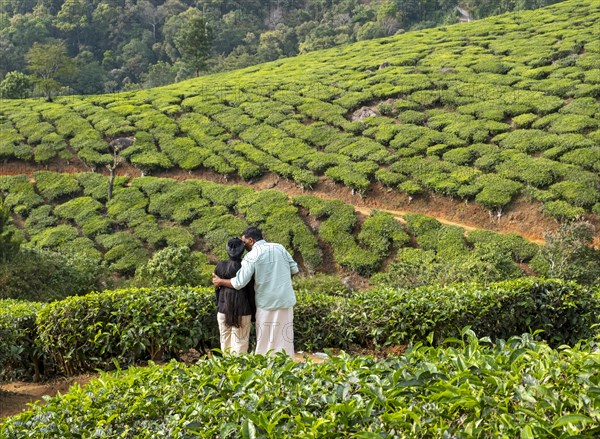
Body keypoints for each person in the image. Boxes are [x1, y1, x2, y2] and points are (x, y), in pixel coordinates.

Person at [212, 227, 299, 358]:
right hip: (286, 301)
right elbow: (294, 269)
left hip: (266, 303)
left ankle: (267, 371)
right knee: (284, 340)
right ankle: (286, 367)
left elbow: (239, 282)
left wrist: (220, 281)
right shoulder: (279, 247)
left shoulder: (251, 255)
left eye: (244, 242)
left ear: (251, 240)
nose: (243, 245)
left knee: (266, 342)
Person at [214, 237, 255, 355]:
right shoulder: (245, 266)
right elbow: (251, 292)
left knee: (225, 343)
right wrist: (253, 312)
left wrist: (218, 306)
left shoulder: (220, 266)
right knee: (240, 345)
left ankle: (227, 371)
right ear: (242, 251)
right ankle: (238, 371)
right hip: (243, 310)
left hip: (223, 309)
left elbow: (217, 289)